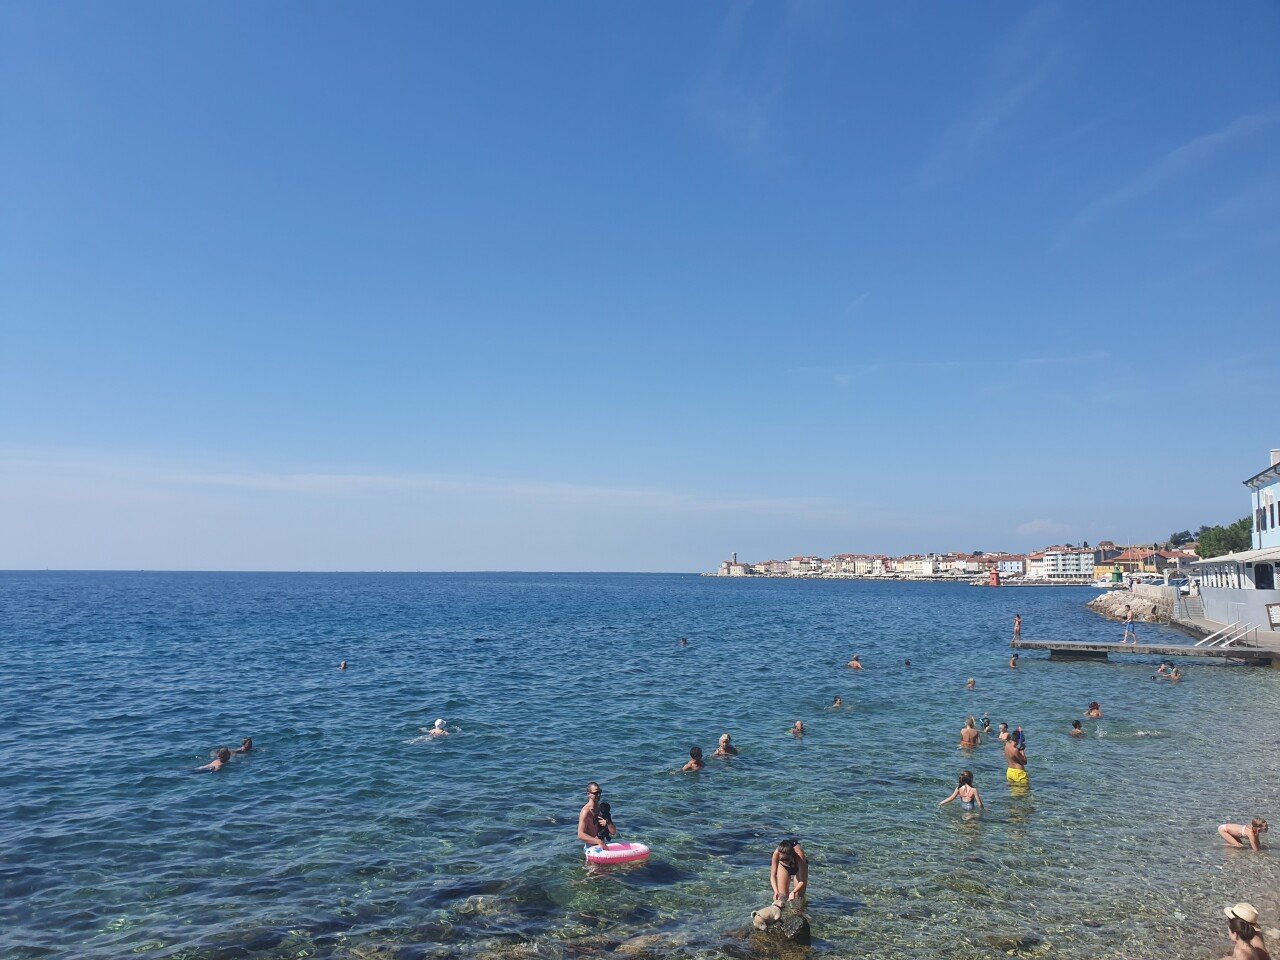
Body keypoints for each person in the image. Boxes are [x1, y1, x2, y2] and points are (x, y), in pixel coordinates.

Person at [770, 839, 808, 906]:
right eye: (782, 859)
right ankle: (784, 914)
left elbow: (802, 881)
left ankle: (799, 914)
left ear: (792, 855)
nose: (785, 861)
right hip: (783, 867)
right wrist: (775, 891)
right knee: (782, 896)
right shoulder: (776, 853)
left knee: (798, 896)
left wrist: (793, 892)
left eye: (787, 859)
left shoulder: (799, 855)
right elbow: (772, 876)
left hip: (798, 867)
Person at [577, 782, 609, 851]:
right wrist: (598, 841)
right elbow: (580, 835)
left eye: (600, 792)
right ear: (588, 794)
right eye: (595, 793)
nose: (598, 795)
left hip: (602, 845)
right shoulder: (586, 812)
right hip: (591, 848)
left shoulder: (600, 808)